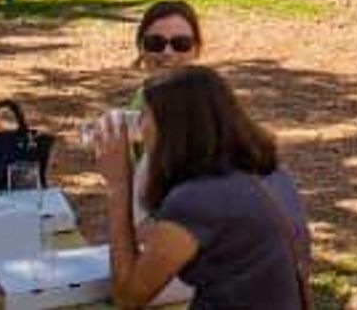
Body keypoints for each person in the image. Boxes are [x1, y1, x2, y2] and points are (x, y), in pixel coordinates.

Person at [91, 66, 311, 310]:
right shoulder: (272, 174)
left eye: (144, 116)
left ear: (172, 128)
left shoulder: (195, 199)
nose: (139, 128)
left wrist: (119, 186)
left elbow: (129, 296)